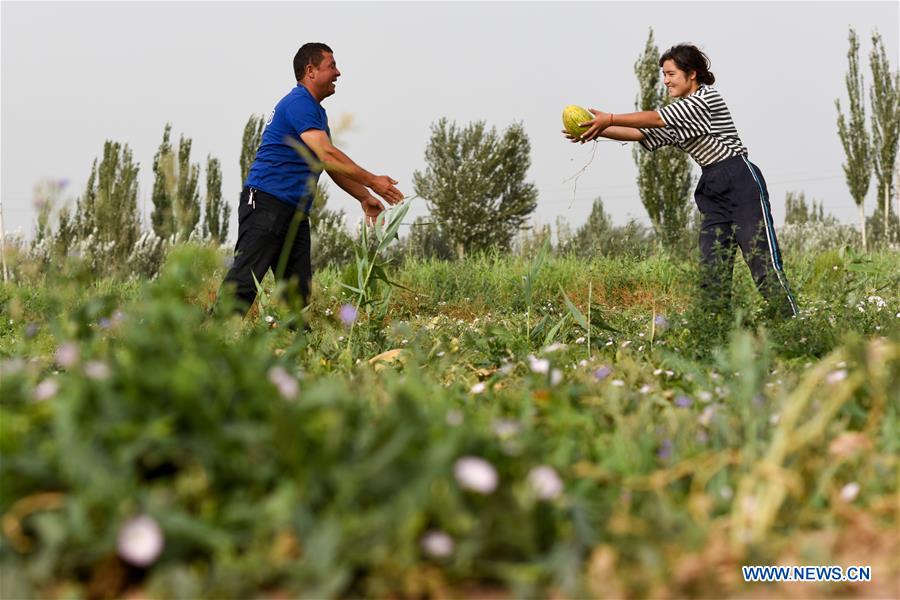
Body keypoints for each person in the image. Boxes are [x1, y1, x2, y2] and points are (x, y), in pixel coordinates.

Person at [564, 44, 797, 319]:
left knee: (761, 261)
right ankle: (715, 332)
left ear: (692, 73)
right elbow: (641, 134)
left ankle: (793, 322)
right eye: (664, 74)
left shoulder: (705, 100)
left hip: (739, 179)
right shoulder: (683, 113)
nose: (665, 80)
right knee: (712, 269)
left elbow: (657, 118)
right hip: (712, 187)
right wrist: (595, 129)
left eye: (671, 73)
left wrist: (610, 118)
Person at [218, 42, 403, 319]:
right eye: (331, 66)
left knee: (297, 298)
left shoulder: (316, 113)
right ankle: (210, 345)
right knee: (243, 286)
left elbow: (327, 163)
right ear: (310, 71)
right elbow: (327, 152)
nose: (338, 73)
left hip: (293, 213)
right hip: (266, 204)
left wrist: (364, 196)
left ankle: (297, 356)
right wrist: (373, 181)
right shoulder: (298, 103)